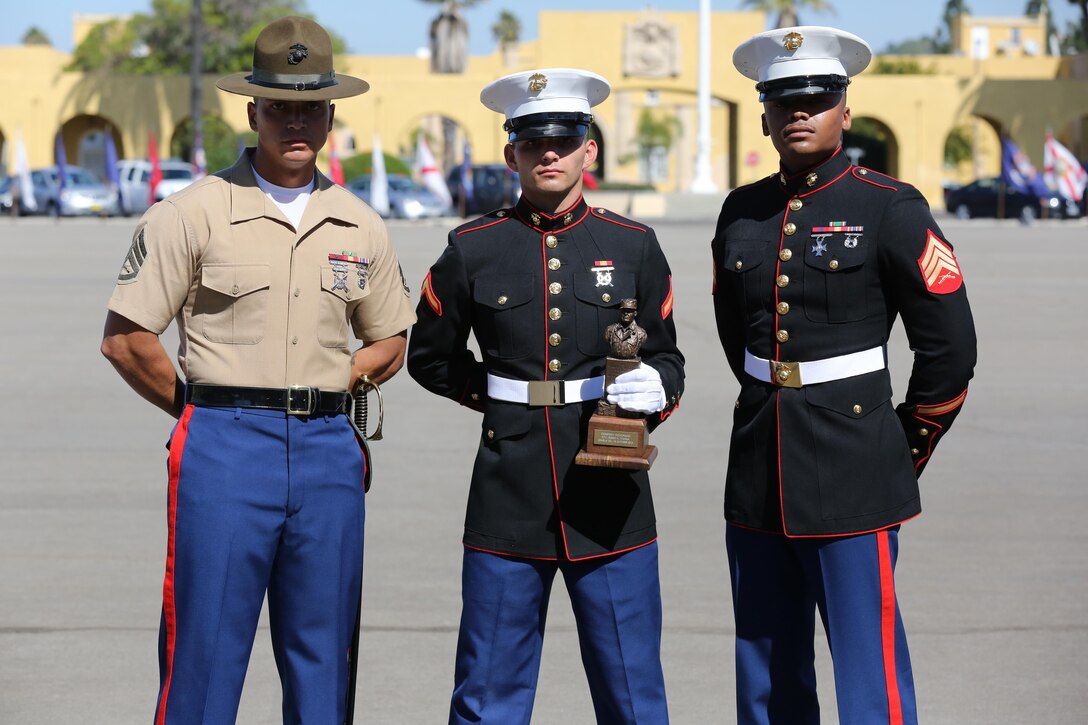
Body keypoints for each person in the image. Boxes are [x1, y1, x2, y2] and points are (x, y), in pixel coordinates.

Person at [99, 16, 415, 724]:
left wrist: (332, 381)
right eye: (279, 106)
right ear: (253, 112)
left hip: (328, 451)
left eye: (311, 107)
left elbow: (391, 338)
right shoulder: (192, 213)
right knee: (204, 653)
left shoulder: (360, 223)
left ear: (331, 115)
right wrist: (201, 407)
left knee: (325, 656)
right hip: (224, 446)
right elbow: (127, 339)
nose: (295, 122)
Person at [712, 27, 977, 725]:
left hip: (856, 464)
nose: (799, 112)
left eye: (817, 99)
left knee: (868, 669)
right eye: (783, 100)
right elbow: (738, 335)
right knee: (766, 669)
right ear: (764, 115)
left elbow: (950, 349)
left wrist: (901, 446)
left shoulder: (889, 206)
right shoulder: (741, 210)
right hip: (760, 464)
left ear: (846, 112)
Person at [407, 68, 685, 724]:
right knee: (487, 695)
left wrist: (657, 391)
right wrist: (502, 398)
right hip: (510, 489)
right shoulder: (473, 248)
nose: (549, 154)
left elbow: (667, 356)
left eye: (564, 141)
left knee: (633, 692)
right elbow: (430, 357)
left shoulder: (632, 245)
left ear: (591, 150)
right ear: (512, 155)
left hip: (610, 490)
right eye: (533, 143)